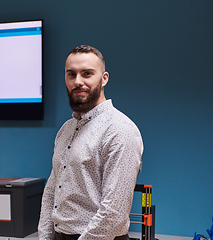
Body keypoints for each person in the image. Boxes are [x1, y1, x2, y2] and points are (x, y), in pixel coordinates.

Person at [38, 45, 143, 240]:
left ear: (104, 79)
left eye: (87, 74)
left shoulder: (120, 130)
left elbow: (113, 213)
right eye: (71, 74)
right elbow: (52, 191)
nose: (78, 81)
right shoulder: (66, 130)